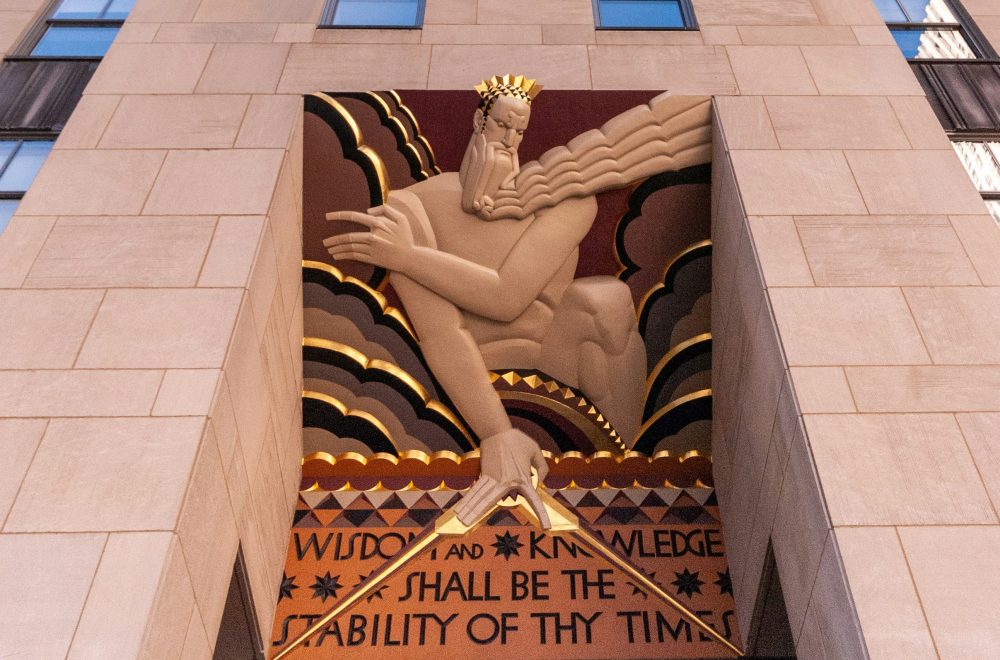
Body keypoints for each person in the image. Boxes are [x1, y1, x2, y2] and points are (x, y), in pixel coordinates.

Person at [325, 76, 710, 529]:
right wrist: (496, 431)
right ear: (478, 119)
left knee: (605, 298)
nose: (509, 141)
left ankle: (620, 472)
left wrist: (408, 258)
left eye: (519, 131)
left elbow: (506, 297)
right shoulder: (413, 206)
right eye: (502, 126)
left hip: (557, 360)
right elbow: (440, 331)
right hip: (461, 378)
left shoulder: (565, 200)